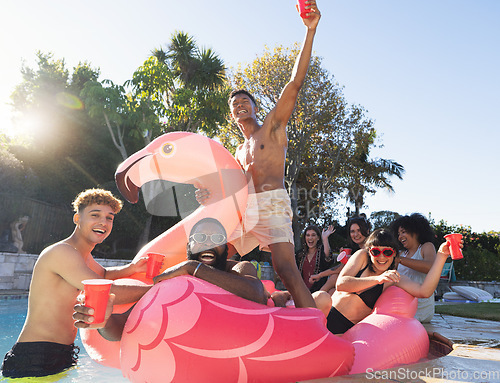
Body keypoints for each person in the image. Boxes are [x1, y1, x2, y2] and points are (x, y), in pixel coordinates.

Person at [196, 0, 321, 309]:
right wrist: (209, 195)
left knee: (286, 270)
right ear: (232, 115)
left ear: (254, 107)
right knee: (213, 255)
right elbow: (233, 188)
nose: (239, 105)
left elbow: (294, 84)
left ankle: (316, 329)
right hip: (245, 209)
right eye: (234, 104)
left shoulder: (273, 129)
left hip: (274, 203)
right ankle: (254, 300)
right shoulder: (236, 150)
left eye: (244, 101)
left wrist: (310, 30)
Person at [1, 189, 152, 378]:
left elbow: (104, 274)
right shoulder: (62, 252)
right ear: (77, 219)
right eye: (95, 215)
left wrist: (132, 268)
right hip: (34, 356)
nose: (103, 222)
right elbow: (104, 289)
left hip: (64, 354)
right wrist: (155, 290)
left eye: (109, 218)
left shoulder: (85, 258)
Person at [73, 217, 270, 341]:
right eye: (200, 239)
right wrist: (102, 321)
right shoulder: (177, 282)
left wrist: (192, 267)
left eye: (216, 239)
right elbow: (121, 329)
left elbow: (256, 295)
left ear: (226, 249)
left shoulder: (237, 268)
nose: (207, 244)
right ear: (189, 249)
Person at [313, 228, 460, 334]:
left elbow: (425, 291)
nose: (381, 257)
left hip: (344, 329)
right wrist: (377, 279)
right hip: (326, 315)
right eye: (376, 252)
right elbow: (341, 284)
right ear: (369, 251)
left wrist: (441, 256)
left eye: (387, 252)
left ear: (394, 253)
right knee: (321, 296)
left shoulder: (393, 278)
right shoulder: (361, 257)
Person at [390, 213, 437, 323]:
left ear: (415, 231)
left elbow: (430, 267)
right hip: (402, 304)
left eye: (403, 232)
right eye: (398, 234)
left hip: (421, 308)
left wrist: (399, 260)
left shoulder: (426, 247)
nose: (400, 237)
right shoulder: (401, 254)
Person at [310, 216, 371, 295]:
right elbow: (343, 268)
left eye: (359, 230)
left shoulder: (369, 248)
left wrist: (319, 275)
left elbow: (341, 268)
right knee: (331, 291)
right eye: (352, 231)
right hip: (355, 284)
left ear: (367, 231)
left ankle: (313, 300)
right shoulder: (357, 249)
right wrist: (345, 260)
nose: (355, 234)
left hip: (365, 286)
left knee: (334, 278)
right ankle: (315, 299)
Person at [295, 224, 335, 292]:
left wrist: (325, 238)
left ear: (318, 237)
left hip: (319, 292)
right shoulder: (300, 254)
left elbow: (328, 258)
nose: (310, 238)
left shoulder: (322, 251)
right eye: (308, 235)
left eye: (313, 235)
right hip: (302, 292)